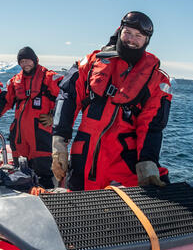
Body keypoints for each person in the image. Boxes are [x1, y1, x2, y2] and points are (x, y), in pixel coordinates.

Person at [51, 11, 172, 191]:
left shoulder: (156, 79)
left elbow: (152, 125)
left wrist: (148, 162)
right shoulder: (90, 63)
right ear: (120, 31)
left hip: (124, 163)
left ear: (146, 41)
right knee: (78, 204)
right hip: (83, 157)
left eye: (138, 36)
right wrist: (59, 144)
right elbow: (67, 98)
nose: (132, 39)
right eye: (128, 33)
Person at [0, 47, 62, 189]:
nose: (25, 64)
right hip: (20, 136)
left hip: (41, 134)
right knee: (21, 174)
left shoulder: (49, 77)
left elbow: (65, 99)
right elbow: (5, 102)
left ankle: (47, 199)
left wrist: (54, 116)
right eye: (22, 61)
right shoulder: (15, 81)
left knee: (43, 174)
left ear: (35, 60)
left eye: (28, 60)